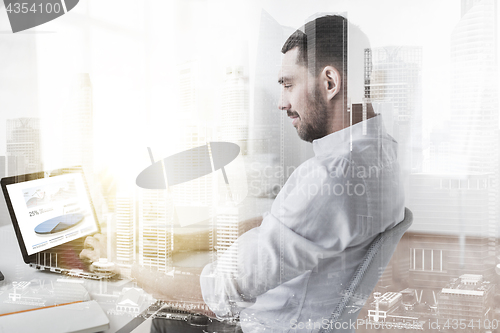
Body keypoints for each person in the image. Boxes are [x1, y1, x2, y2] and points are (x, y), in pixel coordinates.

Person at [81, 14, 404, 333]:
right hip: (308, 316)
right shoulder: (382, 152)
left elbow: (214, 295)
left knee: (162, 317)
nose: (282, 103)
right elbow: (279, 228)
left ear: (330, 82)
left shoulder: (330, 178)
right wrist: (185, 240)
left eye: (289, 85)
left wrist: (121, 260)